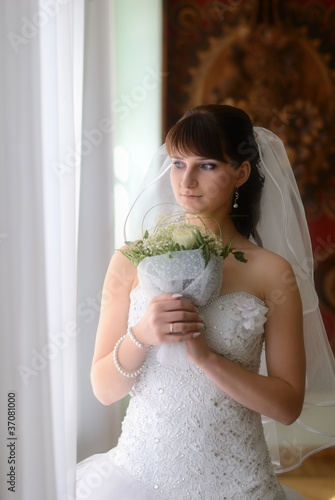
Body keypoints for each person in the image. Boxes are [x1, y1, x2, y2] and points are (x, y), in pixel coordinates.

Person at [76, 105, 335, 499]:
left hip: (239, 485)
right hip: (137, 480)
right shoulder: (131, 260)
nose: (187, 180)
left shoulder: (271, 272)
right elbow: (104, 390)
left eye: (208, 165)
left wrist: (207, 359)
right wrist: (142, 335)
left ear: (241, 173)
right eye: (178, 163)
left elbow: (286, 407)